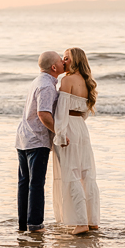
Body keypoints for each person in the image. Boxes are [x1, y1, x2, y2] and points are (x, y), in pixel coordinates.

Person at [52, 47, 101, 235]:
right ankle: (92, 220)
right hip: (81, 127)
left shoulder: (67, 80)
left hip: (69, 127)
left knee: (71, 173)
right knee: (86, 174)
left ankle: (80, 223)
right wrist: (77, 125)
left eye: (66, 58)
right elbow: (85, 113)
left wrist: (60, 134)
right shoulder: (87, 82)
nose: (63, 61)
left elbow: (61, 111)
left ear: (75, 60)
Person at [16, 51, 65, 233]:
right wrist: (59, 133)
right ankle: (35, 225)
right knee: (36, 184)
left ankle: (24, 224)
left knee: (25, 183)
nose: (63, 62)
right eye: (60, 60)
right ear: (54, 67)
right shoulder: (46, 86)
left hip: (24, 138)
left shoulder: (38, 81)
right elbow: (43, 114)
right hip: (37, 139)